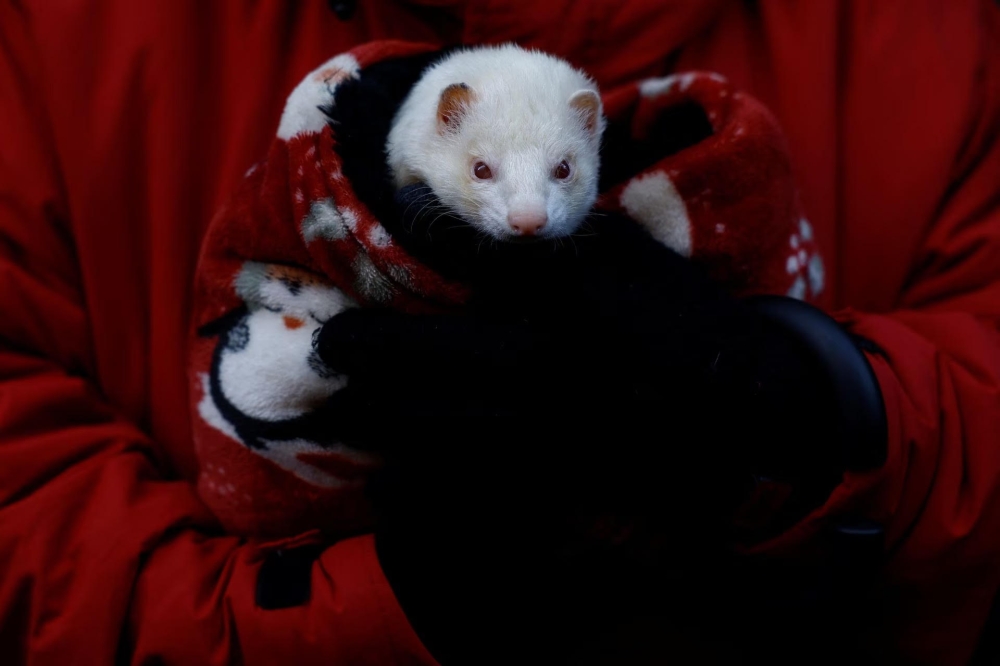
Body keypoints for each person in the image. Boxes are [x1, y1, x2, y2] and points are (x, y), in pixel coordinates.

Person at [0, 1, 997, 664]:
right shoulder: (50, 39)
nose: (525, 217)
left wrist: (824, 412)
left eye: (558, 176)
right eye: (485, 176)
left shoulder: (942, 41)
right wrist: (385, 604)